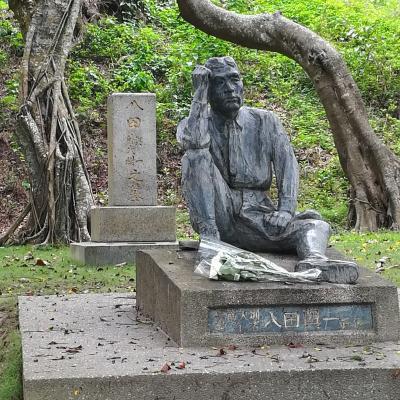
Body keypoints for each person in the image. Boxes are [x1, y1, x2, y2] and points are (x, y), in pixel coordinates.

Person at [177, 56, 358, 283]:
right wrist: (199, 96)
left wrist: (285, 210)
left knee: (315, 226)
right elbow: (193, 142)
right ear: (208, 90)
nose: (230, 89)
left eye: (234, 80)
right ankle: (210, 239)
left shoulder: (265, 121)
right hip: (220, 215)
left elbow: (287, 163)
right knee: (196, 156)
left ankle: (315, 261)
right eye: (220, 83)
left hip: (259, 215)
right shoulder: (194, 122)